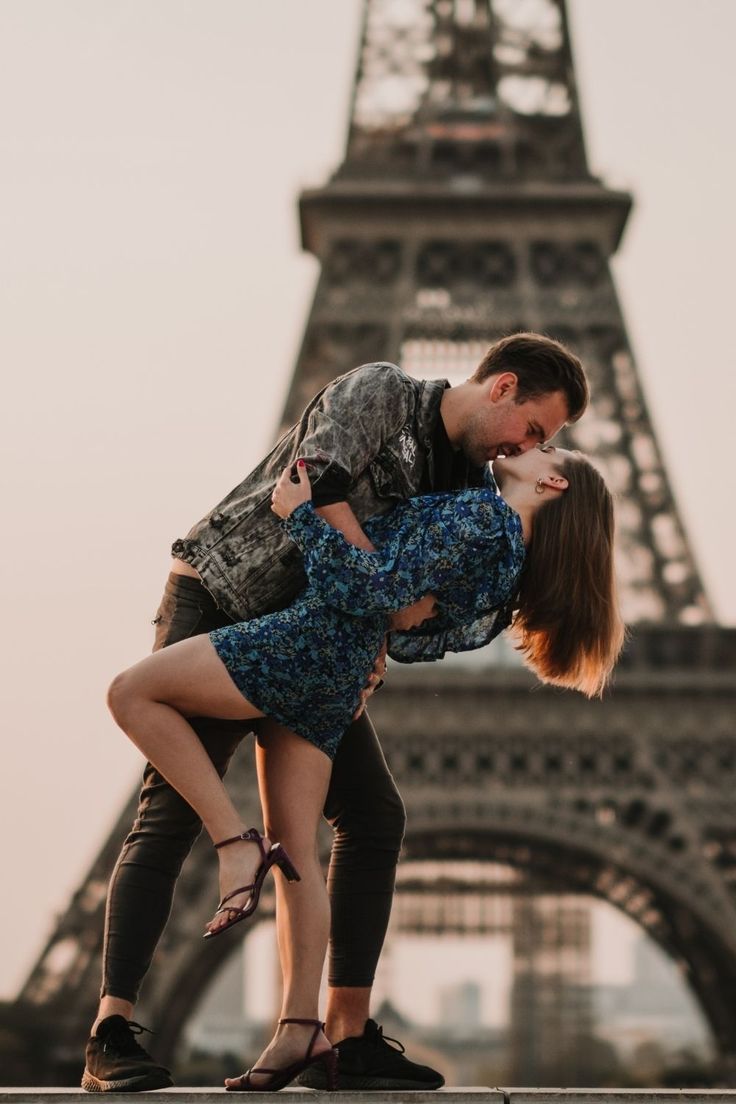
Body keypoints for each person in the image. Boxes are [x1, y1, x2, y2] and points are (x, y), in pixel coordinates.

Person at [82, 332, 589, 1093]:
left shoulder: (475, 489)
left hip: (311, 641)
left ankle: (335, 1035)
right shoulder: (380, 391)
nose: (529, 444)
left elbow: (420, 597)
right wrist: (383, 600)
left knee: (374, 816)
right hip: (224, 602)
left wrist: (378, 634)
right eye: (535, 429)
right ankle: (110, 1032)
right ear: (502, 386)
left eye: (542, 445)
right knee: (169, 813)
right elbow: (316, 491)